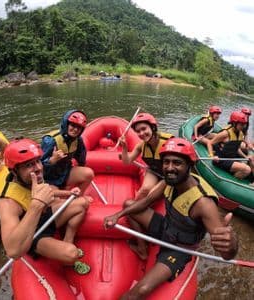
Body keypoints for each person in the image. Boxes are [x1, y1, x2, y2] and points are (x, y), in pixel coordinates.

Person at [104, 138, 238, 299]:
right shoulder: (168, 182)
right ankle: (142, 249)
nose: (169, 168)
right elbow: (145, 202)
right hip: (165, 227)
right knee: (128, 205)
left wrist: (232, 244)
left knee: (141, 290)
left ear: (189, 165)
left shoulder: (203, 203)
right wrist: (117, 215)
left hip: (179, 247)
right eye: (166, 162)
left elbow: (227, 255)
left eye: (177, 163)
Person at [0, 138, 91, 274]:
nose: (38, 168)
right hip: (33, 235)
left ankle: (68, 239)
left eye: (38, 161)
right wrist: (36, 205)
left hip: (45, 218)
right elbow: (12, 251)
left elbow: (48, 191)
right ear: (14, 172)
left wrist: (68, 193)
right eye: (28, 165)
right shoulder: (6, 202)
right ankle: (67, 253)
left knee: (82, 203)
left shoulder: (30, 179)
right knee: (72, 254)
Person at [119, 112, 173, 200]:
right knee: (144, 190)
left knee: (152, 194)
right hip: (154, 171)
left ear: (152, 127)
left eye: (144, 129)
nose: (141, 133)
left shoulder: (169, 142)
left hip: (169, 174)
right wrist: (124, 147)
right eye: (138, 131)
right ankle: (133, 208)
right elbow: (126, 162)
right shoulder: (141, 146)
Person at [41, 110, 94, 195]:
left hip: (65, 173)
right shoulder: (50, 140)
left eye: (79, 127)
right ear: (66, 124)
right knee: (54, 199)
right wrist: (52, 160)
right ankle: (66, 194)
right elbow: (39, 167)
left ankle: (78, 197)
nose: (76, 129)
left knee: (89, 173)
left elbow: (81, 160)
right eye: (73, 125)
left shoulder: (78, 140)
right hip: (49, 179)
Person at [206, 111, 254, 180]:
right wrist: (212, 156)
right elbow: (210, 143)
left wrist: (246, 157)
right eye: (241, 124)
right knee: (247, 169)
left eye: (244, 124)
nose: (244, 126)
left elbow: (236, 149)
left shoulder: (240, 134)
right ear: (234, 123)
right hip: (221, 160)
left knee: (252, 159)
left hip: (232, 158)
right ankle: (234, 180)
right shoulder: (225, 133)